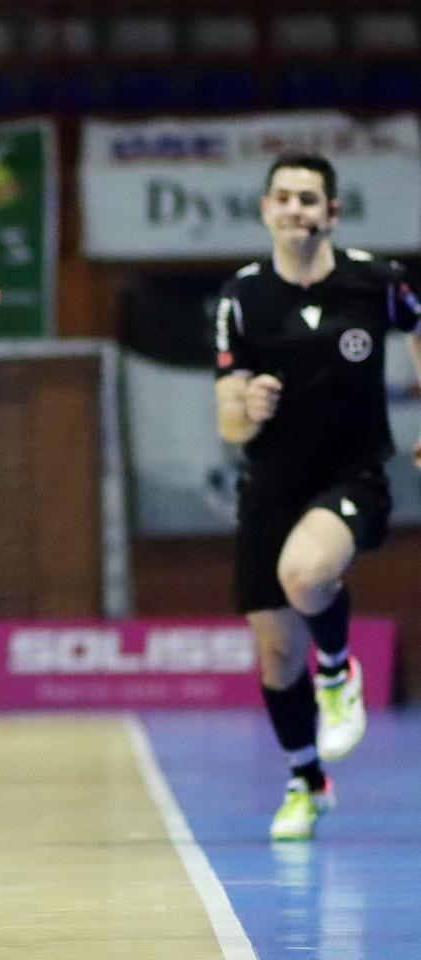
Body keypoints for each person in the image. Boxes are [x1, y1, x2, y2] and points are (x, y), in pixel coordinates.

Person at [212, 152, 421, 841]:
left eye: (309, 199)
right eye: (284, 198)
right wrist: (250, 407)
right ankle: (306, 781)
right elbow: (228, 421)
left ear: (331, 212)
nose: (295, 209)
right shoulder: (242, 297)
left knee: (305, 574)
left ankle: (336, 671)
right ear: (266, 210)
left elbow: (418, 328)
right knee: (276, 655)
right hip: (271, 484)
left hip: (352, 473)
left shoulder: (376, 281)